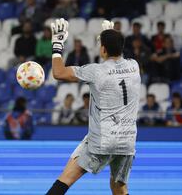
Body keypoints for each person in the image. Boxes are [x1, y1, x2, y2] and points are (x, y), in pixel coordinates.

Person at [46, 19, 140, 195]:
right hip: (127, 140)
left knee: (65, 179)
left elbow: (58, 73)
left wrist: (57, 43)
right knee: (119, 187)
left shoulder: (95, 71)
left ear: (103, 49)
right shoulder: (134, 66)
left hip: (102, 140)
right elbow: (116, 59)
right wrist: (111, 36)